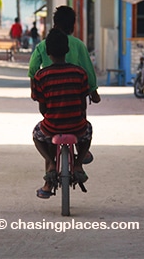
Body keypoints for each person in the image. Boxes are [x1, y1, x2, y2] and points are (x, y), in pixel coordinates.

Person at [31, 28, 92, 199]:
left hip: (52, 125)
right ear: (67, 50)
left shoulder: (41, 76)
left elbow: (43, 109)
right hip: (77, 125)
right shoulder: (80, 73)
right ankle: (79, 164)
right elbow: (82, 104)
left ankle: (50, 165)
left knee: (37, 135)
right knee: (88, 130)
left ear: (48, 52)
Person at [28, 6, 101, 103]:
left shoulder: (43, 45)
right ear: (73, 26)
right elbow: (88, 69)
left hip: (51, 93)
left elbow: (33, 66)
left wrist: (34, 90)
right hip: (75, 94)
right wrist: (93, 91)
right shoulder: (79, 45)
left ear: (55, 24)